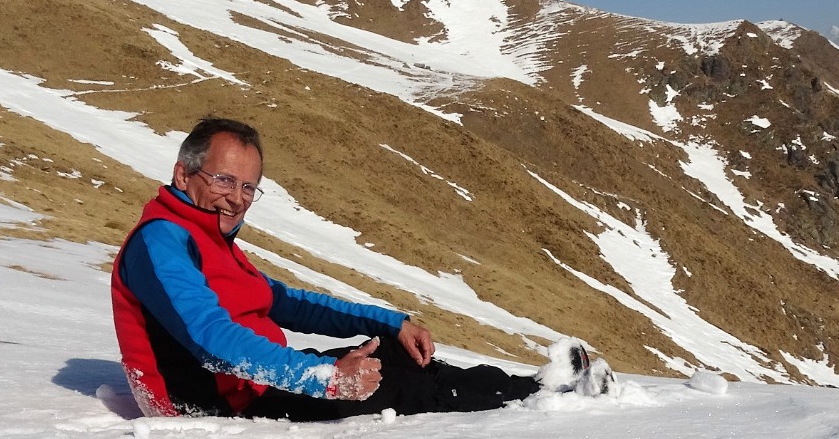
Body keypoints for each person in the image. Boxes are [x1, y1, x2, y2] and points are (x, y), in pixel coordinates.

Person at [111, 117, 613, 420]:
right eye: (224, 179)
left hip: (250, 385)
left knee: (392, 356)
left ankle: (533, 386)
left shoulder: (206, 237)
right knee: (401, 386)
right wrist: (326, 378)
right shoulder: (162, 240)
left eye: (248, 187)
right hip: (216, 402)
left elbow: (285, 302)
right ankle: (539, 396)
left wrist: (388, 322)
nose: (237, 199)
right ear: (183, 173)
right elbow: (211, 340)